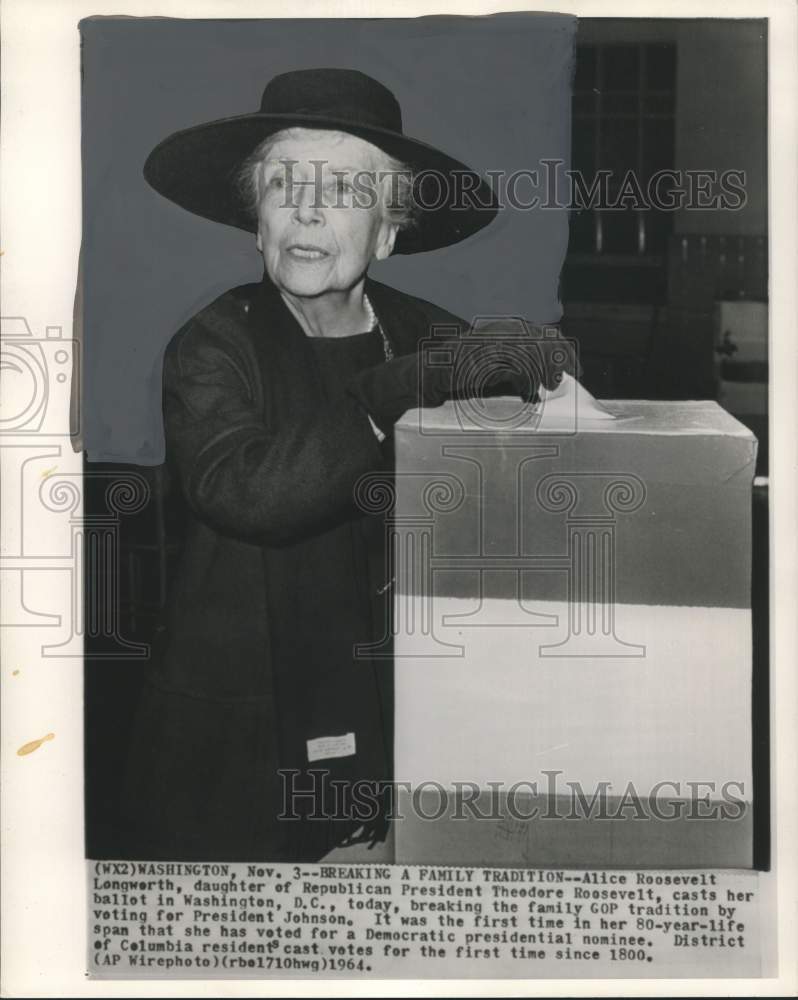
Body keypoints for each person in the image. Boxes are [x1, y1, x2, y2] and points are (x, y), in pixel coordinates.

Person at [122, 68, 575, 862]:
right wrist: (394, 395)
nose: (306, 209)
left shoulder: (428, 333)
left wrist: (546, 375)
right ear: (255, 223)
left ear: (389, 233)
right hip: (239, 758)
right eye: (283, 186)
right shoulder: (214, 343)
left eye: (345, 190)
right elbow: (249, 491)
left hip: (402, 732)